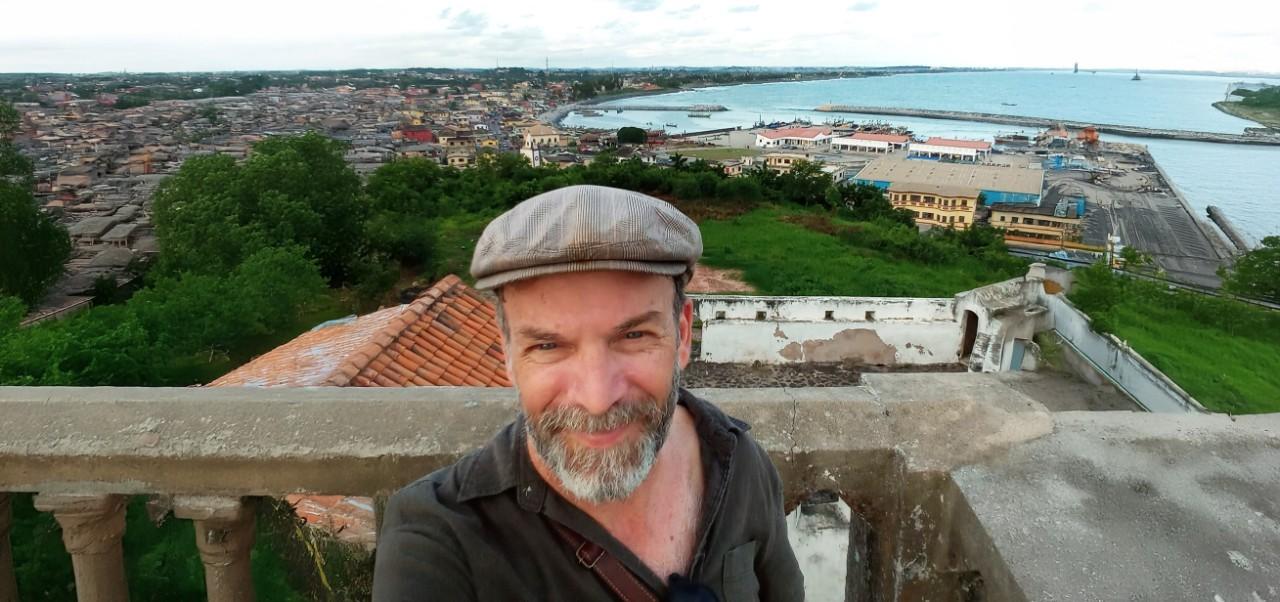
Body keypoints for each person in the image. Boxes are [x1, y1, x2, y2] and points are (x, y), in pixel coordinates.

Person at [373, 185, 804, 601]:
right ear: (508, 353)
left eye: (634, 335)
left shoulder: (736, 458)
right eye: (548, 346)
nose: (598, 398)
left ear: (684, 334)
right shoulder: (438, 539)